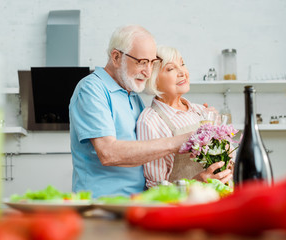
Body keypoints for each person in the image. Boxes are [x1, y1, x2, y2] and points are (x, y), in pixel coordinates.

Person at [69, 25, 193, 198]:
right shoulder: (91, 89)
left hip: (137, 202)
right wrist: (178, 142)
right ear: (116, 57)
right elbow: (108, 153)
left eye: (152, 63)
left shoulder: (133, 96)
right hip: (102, 204)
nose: (148, 72)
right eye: (142, 62)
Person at [136, 46, 233, 189]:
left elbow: (229, 159)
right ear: (153, 79)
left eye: (182, 64)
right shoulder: (150, 121)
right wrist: (195, 183)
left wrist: (223, 142)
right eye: (170, 69)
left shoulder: (201, 111)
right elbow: (155, 188)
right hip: (186, 208)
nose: (182, 72)